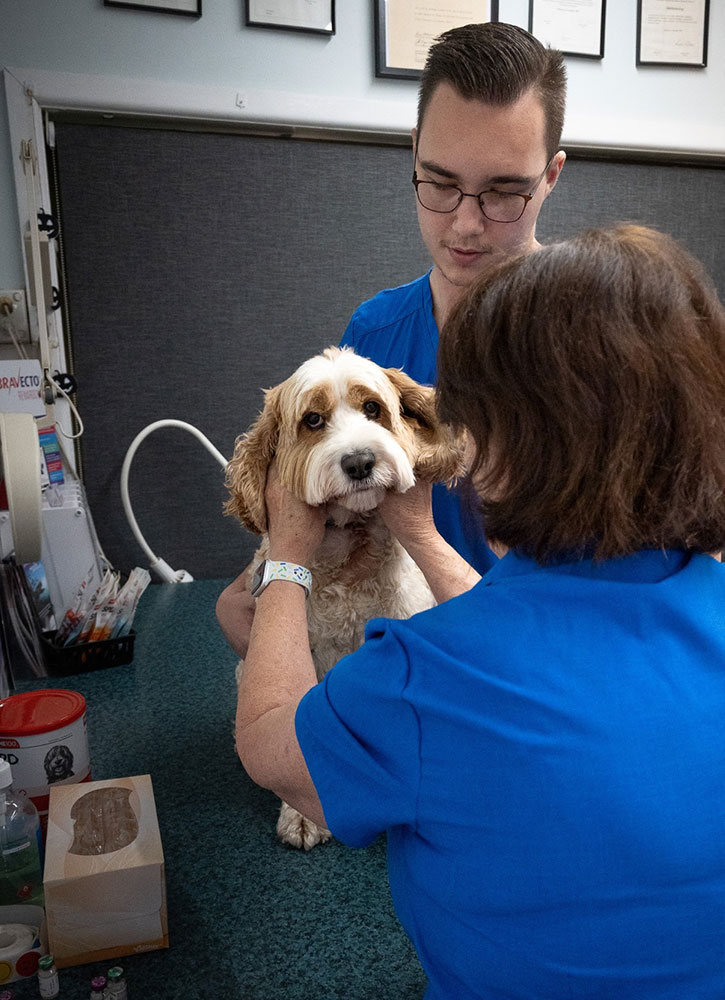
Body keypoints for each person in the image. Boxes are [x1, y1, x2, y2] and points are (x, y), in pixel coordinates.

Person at [235, 224, 725, 999]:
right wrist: (422, 531)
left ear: (493, 453)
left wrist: (285, 557)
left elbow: (270, 746)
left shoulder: (422, 675)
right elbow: (533, 646)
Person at [216, 22, 567, 655]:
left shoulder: (598, 351)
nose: (465, 223)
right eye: (439, 182)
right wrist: (263, 584)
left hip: (534, 675)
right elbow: (332, 521)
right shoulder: (375, 335)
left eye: (503, 192)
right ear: (413, 155)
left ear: (550, 176)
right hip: (401, 660)